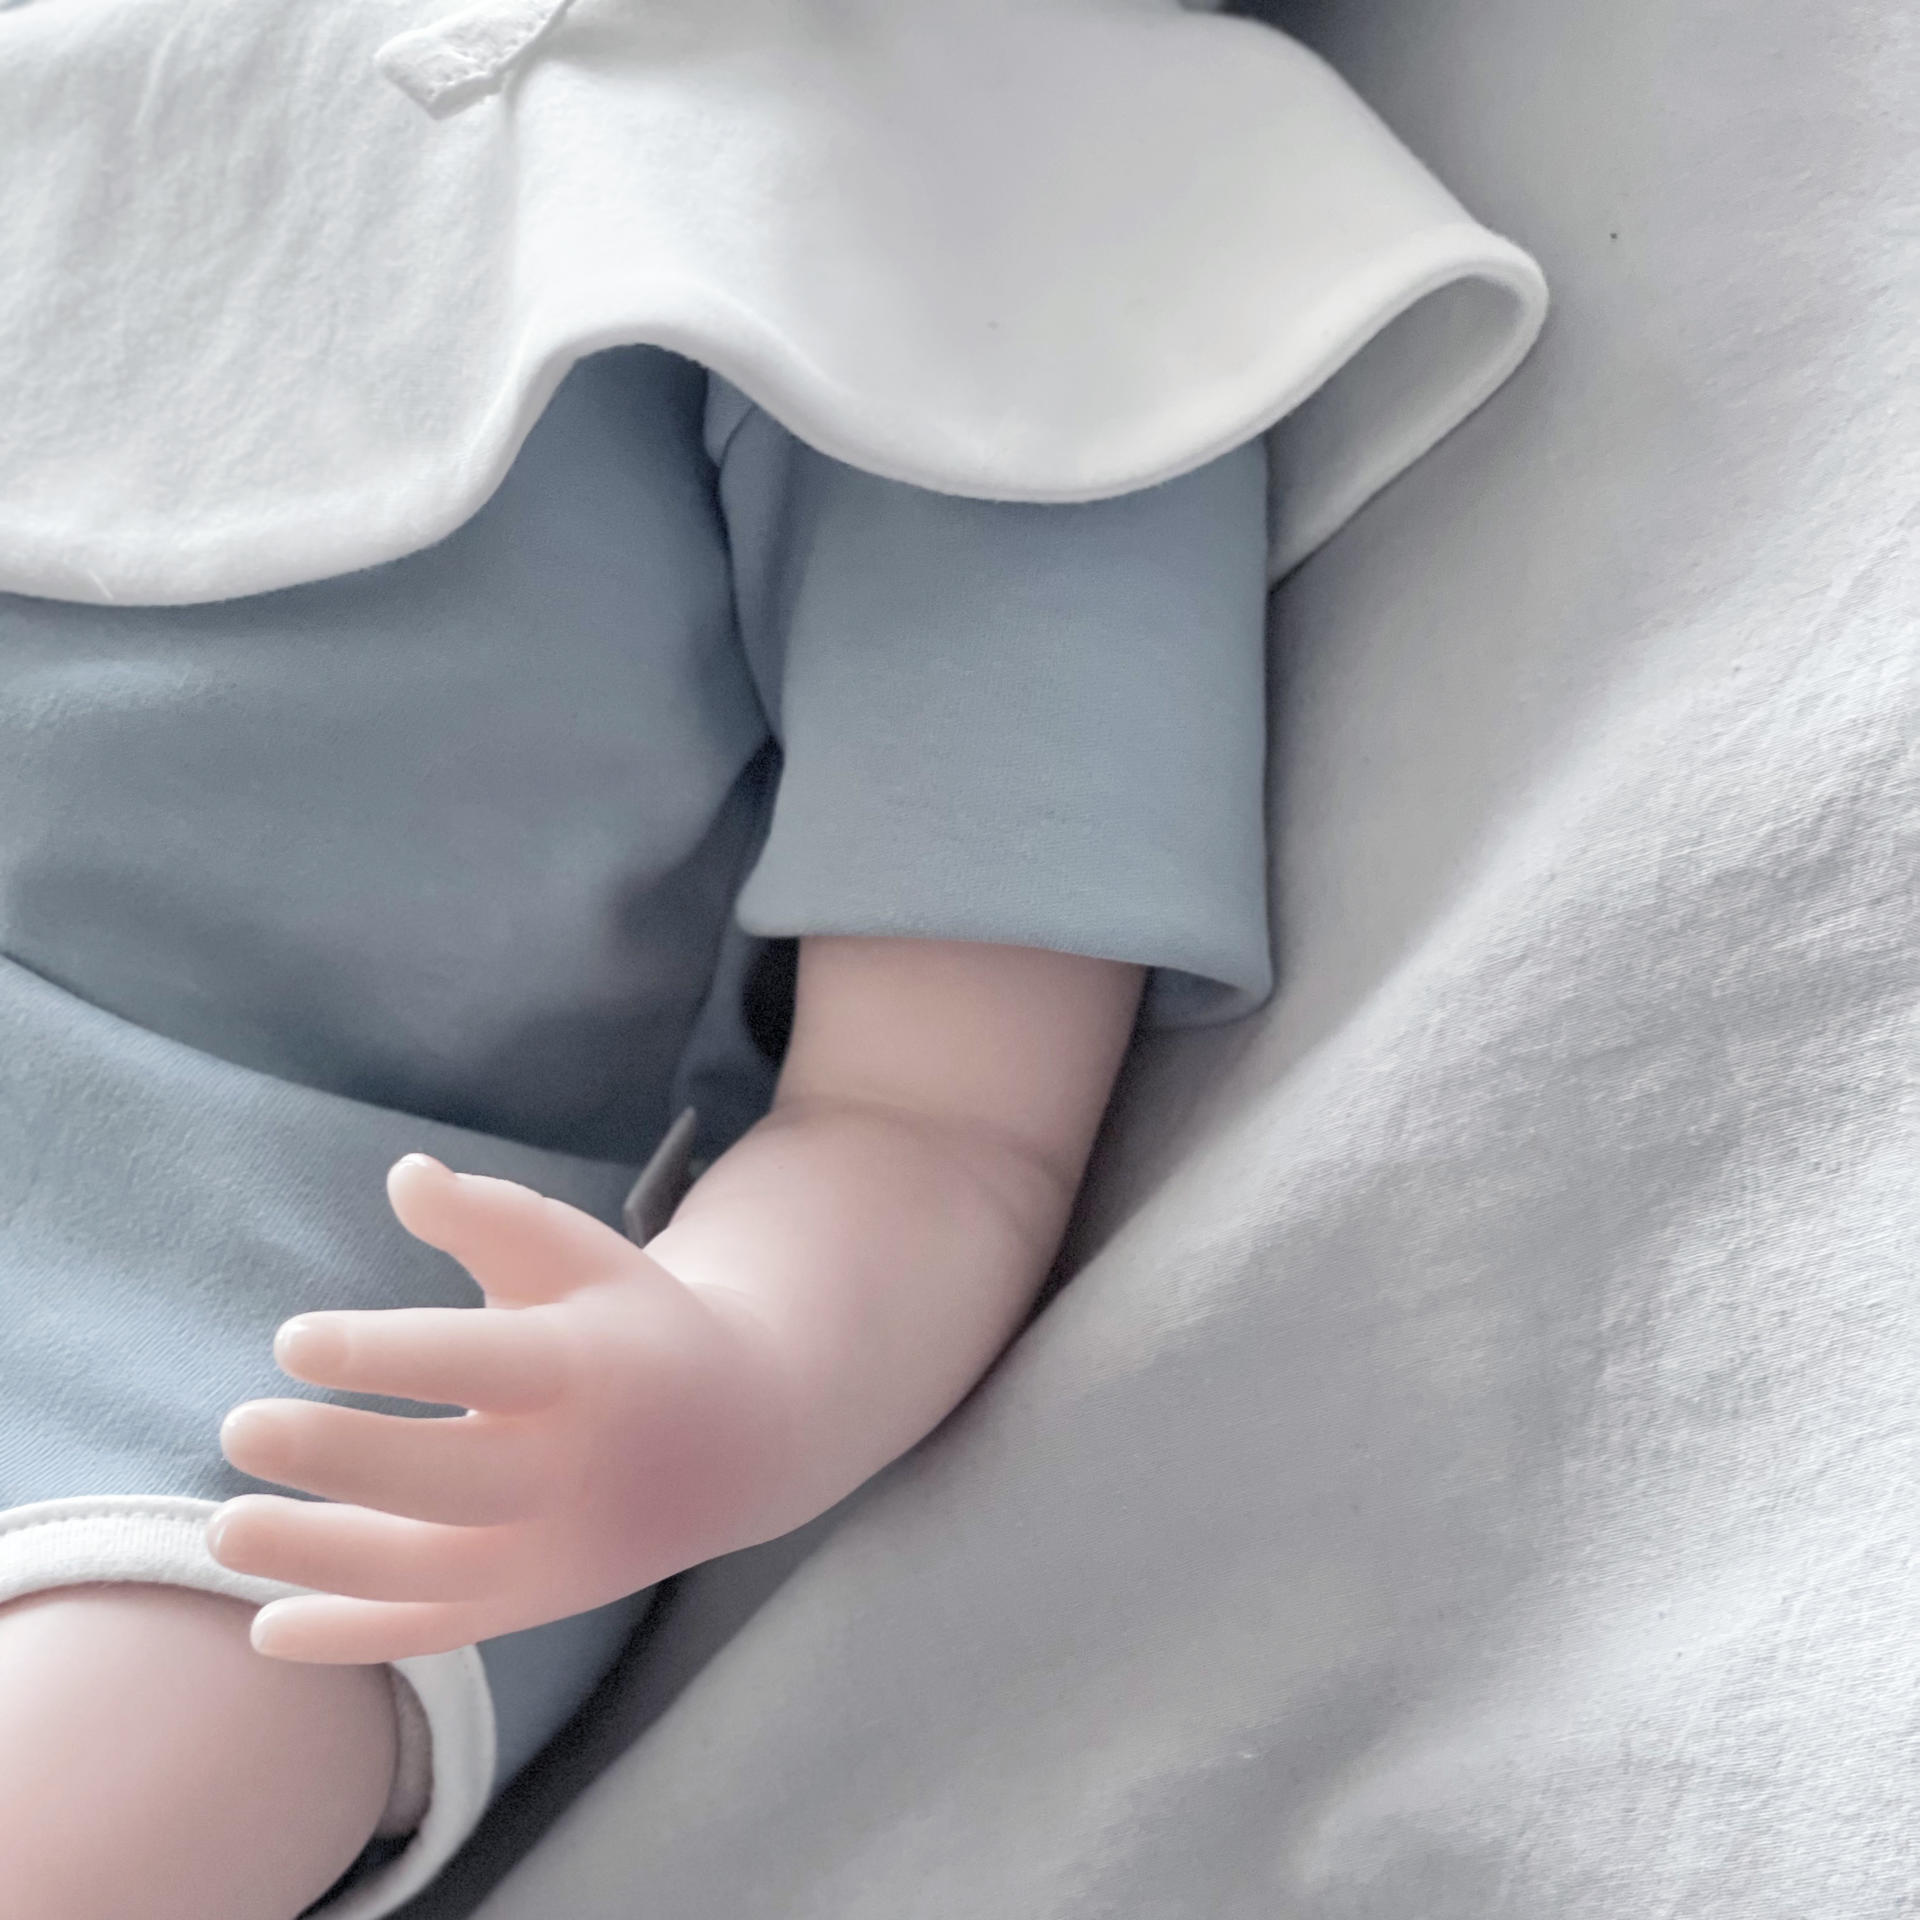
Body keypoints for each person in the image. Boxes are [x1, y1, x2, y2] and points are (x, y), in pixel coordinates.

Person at [0, 2, 1546, 1914]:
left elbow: (931, 1122)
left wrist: (733, 1380)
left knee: (145, 1737)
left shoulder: (1024, 200)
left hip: (263, 1356)